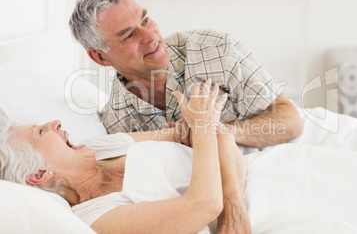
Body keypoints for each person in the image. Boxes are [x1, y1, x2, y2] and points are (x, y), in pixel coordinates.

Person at [69, 0, 303, 150]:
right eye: (129, 34)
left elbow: (290, 119)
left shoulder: (215, 47)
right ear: (100, 57)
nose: (151, 36)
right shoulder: (117, 125)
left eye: (145, 20)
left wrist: (213, 132)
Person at [0, 81, 250, 233]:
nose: (54, 123)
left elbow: (217, 132)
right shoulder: (95, 218)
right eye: (41, 132)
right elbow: (202, 206)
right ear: (39, 174)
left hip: (243, 200)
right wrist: (204, 123)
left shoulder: (101, 147)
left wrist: (233, 205)